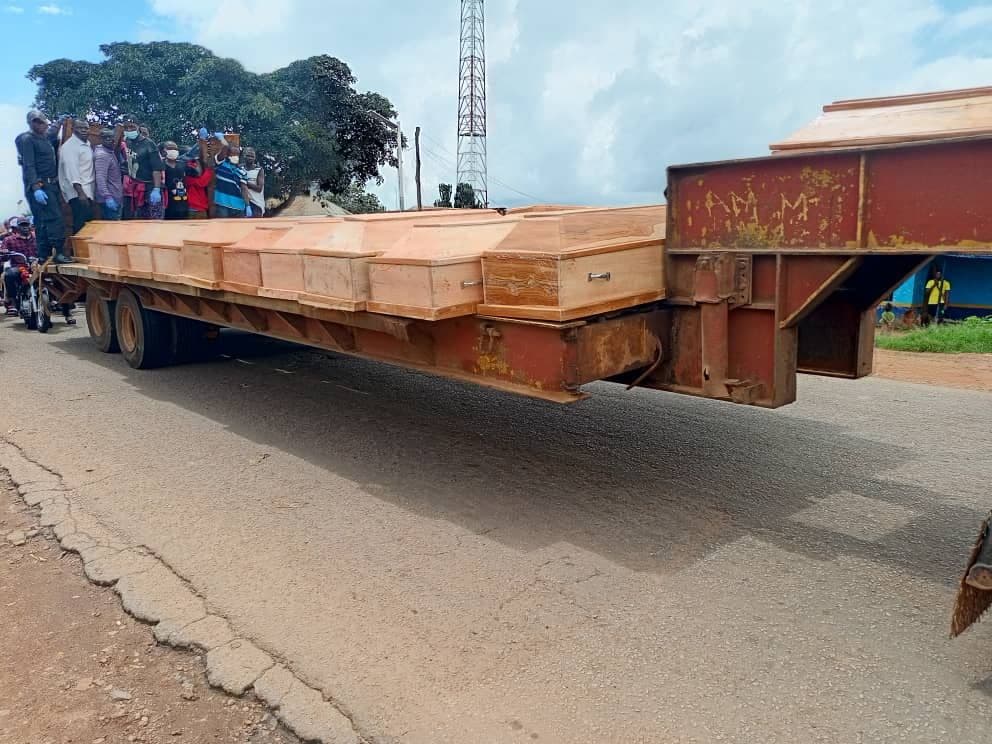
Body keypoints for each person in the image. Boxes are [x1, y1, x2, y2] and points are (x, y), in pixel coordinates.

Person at [15, 109, 70, 263]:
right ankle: (57, 252)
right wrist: (36, 188)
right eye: (35, 122)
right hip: (39, 185)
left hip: (51, 184)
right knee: (53, 219)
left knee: (44, 220)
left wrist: (60, 122)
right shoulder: (28, 140)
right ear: (30, 123)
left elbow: (52, 133)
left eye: (41, 121)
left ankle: (43, 254)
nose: (39, 124)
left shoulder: (45, 137)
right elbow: (29, 165)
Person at [121, 117, 164, 220]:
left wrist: (156, 189)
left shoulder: (149, 144)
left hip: (150, 187)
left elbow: (156, 169)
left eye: (132, 127)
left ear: (138, 127)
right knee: (137, 222)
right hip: (134, 187)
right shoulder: (127, 142)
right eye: (126, 127)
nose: (129, 130)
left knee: (154, 221)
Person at [58, 118, 96, 235]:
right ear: (73, 129)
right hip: (78, 193)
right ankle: (78, 250)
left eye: (86, 128)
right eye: (80, 128)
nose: (84, 130)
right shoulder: (69, 147)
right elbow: (71, 171)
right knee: (81, 225)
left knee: (88, 224)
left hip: (87, 190)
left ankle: (85, 250)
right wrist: (80, 193)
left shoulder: (86, 143)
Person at [211, 135, 252, 218]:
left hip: (238, 206)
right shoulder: (221, 163)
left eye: (237, 154)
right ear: (228, 154)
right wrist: (222, 139)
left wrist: (248, 205)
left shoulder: (242, 172)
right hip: (222, 204)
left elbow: (244, 189)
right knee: (222, 229)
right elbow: (225, 148)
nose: (235, 156)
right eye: (233, 154)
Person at [1, 216, 35, 310]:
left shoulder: (36, 237)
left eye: (26, 225)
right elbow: (3, 257)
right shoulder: (9, 240)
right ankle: (13, 300)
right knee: (9, 275)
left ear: (30, 226)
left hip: (36, 265)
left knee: (52, 274)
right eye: (22, 225)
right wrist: (4, 252)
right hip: (18, 267)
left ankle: (55, 300)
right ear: (17, 227)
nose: (25, 227)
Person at [93, 128, 123, 220]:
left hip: (115, 197)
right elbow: (100, 178)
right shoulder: (102, 155)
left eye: (112, 137)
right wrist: (107, 197)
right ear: (101, 139)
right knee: (111, 230)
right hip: (110, 199)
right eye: (107, 138)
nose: (111, 140)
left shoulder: (109, 151)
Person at [161, 141, 190, 220]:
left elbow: (197, 173)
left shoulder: (183, 164)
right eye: (170, 148)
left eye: (175, 149)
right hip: (168, 203)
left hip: (183, 203)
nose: (173, 150)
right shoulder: (161, 165)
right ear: (164, 151)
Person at [243, 147, 265, 217]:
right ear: (244, 156)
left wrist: (244, 183)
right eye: (248, 156)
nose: (250, 158)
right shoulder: (240, 168)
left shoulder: (259, 170)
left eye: (252, 156)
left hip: (257, 203)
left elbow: (259, 188)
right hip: (244, 203)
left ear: (255, 158)